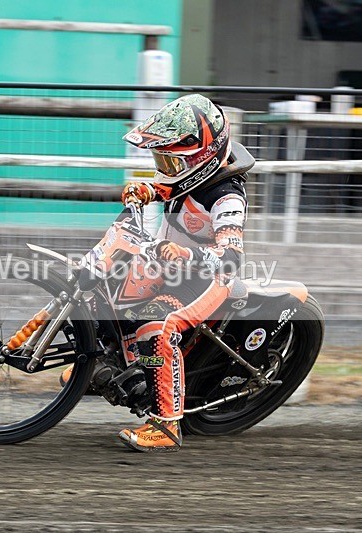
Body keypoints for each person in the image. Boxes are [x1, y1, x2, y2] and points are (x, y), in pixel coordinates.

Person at [114, 93, 254, 452]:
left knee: (156, 324)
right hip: (169, 264)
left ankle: (166, 425)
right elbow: (170, 187)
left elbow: (231, 256)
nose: (163, 167)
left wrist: (186, 253)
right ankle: (109, 369)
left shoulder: (227, 198)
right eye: (160, 159)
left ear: (202, 158)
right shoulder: (191, 175)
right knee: (113, 286)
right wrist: (146, 190)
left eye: (169, 161)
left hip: (207, 278)